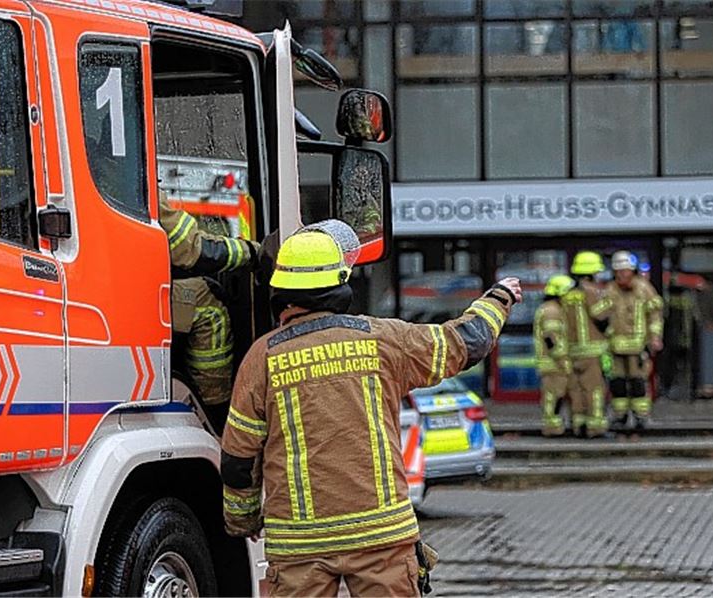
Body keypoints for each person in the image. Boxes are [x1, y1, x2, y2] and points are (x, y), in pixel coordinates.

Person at [220, 222, 521, 597]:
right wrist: (498, 298)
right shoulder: (384, 340)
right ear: (342, 282)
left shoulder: (262, 357)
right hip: (381, 535)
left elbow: (238, 459)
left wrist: (242, 519)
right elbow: (466, 343)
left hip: (299, 544)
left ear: (279, 289)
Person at [159, 192, 261, 430]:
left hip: (101, 285)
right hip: (123, 293)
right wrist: (252, 252)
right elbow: (189, 248)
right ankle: (215, 409)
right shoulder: (131, 178)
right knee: (207, 300)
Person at [606, 251, 664, 428]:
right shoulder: (610, 290)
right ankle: (620, 415)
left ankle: (641, 416)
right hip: (615, 347)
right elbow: (600, 316)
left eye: (625, 271)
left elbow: (655, 315)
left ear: (632, 271)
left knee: (638, 383)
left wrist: (655, 337)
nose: (622, 275)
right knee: (618, 384)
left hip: (638, 347)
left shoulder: (644, 289)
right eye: (618, 271)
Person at [562, 251, 613, 438]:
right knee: (595, 391)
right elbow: (601, 315)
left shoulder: (568, 294)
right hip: (592, 352)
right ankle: (596, 428)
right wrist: (609, 302)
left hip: (573, 352)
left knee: (576, 391)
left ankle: (579, 425)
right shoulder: (591, 291)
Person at [534, 274, 574, 437]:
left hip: (551, 363)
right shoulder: (552, 310)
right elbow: (551, 338)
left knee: (555, 396)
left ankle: (555, 426)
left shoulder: (550, 308)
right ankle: (553, 428)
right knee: (554, 396)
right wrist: (562, 360)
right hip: (553, 364)